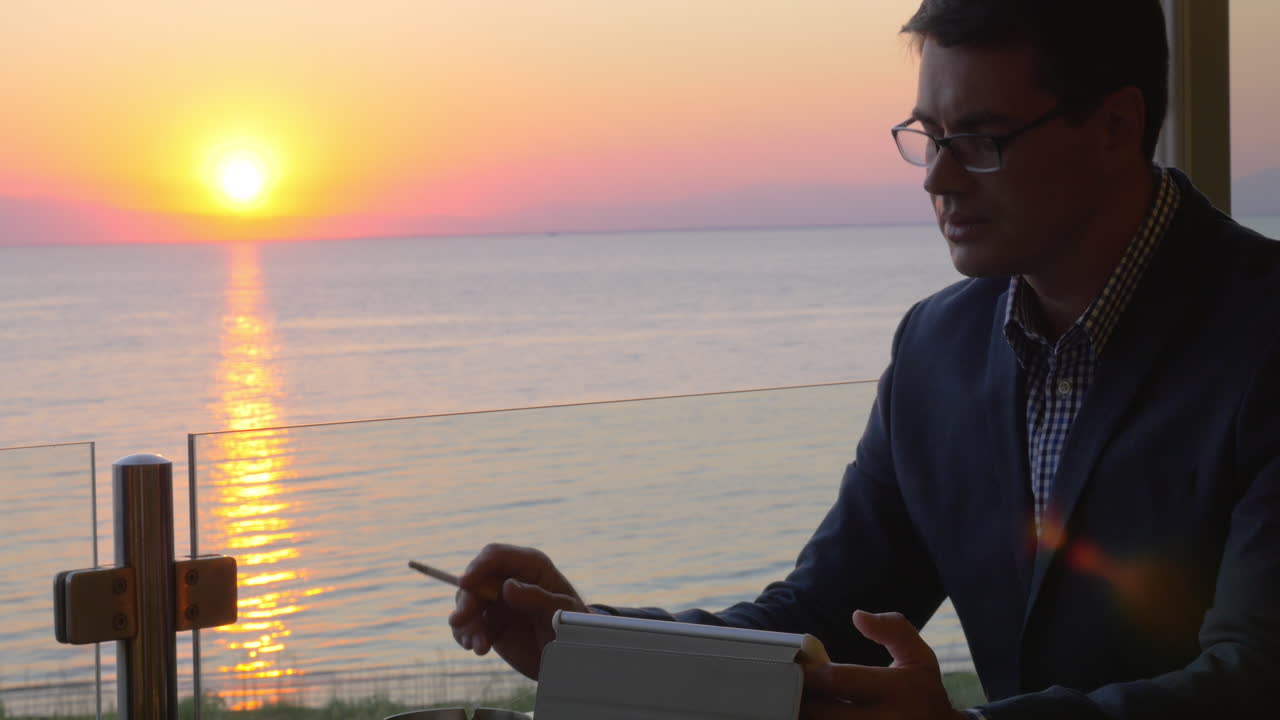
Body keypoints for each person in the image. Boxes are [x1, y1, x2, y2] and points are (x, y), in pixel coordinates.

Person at [448, 1, 1280, 717]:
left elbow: (1253, 682)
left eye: (982, 139)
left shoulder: (1261, 335)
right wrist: (590, 640)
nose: (939, 179)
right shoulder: (938, 350)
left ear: (1115, 128)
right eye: (930, 135)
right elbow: (820, 612)